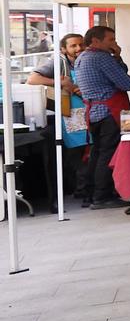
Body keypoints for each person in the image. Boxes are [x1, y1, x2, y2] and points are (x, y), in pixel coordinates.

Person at [72, 25, 130, 210]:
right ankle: (102, 196)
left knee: (97, 154)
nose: (114, 43)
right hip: (108, 112)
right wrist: (118, 58)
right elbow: (126, 83)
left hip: (94, 112)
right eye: (111, 40)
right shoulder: (101, 57)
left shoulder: (81, 58)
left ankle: (90, 194)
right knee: (107, 154)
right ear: (96, 41)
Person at [26, 33, 87, 198]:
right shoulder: (59, 63)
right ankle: (79, 189)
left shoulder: (88, 61)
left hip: (88, 112)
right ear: (63, 49)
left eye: (81, 44)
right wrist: (59, 82)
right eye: (73, 46)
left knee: (90, 151)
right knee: (75, 153)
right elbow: (32, 78)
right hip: (71, 115)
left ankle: (87, 188)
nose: (78, 48)